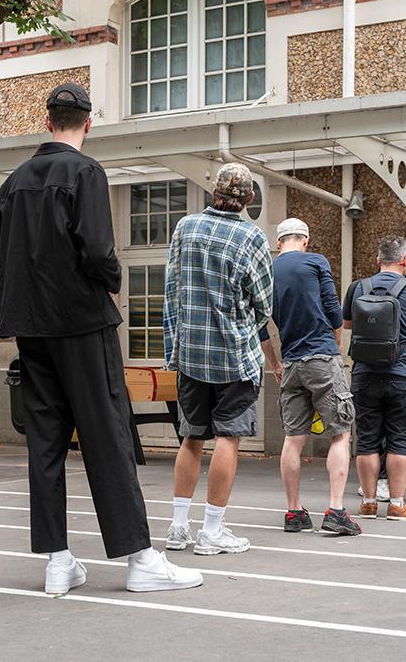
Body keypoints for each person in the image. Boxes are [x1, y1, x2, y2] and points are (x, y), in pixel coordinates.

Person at [0, 83, 201, 594]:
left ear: (48, 122)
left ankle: (58, 560)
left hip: (31, 327)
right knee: (108, 436)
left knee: (45, 442)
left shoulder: (13, 182)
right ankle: (139, 558)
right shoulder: (86, 171)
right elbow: (99, 248)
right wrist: (111, 283)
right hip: (81, 322)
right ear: (88, 123)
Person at [164, 162, 273, 555]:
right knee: (228, 438)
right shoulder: (252, 237)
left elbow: (172, 290)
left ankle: (178, 528)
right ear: (248, 200)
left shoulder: (184, 228)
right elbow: (264, 303)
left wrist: (174, 349)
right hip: (233, 355)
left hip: (191, 353)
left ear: (213, 193)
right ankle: (212, 531)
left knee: (192, 437)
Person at [259, 219, 361, 536]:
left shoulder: (267, 271)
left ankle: (294, 512)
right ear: (305, 240)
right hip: (321, 357)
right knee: (340, 432)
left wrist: (275, 364)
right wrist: (335, 347)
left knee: (293, 439)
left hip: (290, 363)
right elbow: (334, 313)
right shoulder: (316, 261)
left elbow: (260, 327)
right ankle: (335, 509)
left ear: (279, 244)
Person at [344, 237, 406, 521]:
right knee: (400, 440)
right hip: (403, 375)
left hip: (364, 374)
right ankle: (398, 504)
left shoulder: (358, 287)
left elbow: (347, 323)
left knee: (367, 441)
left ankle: (369, 502)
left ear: (378, 261)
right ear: (405, 261)